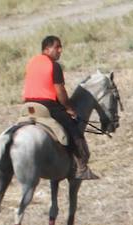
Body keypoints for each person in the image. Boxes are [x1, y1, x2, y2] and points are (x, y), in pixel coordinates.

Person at [23, 35, 97, 179]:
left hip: (27, 105)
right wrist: (69, 108)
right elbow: (60, 91)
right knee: (73, 129)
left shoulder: (31, 62)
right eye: (57, 47)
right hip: (46, 105)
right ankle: (82, 167)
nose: (60, 50)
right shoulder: (53, 65)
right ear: (46, 49)